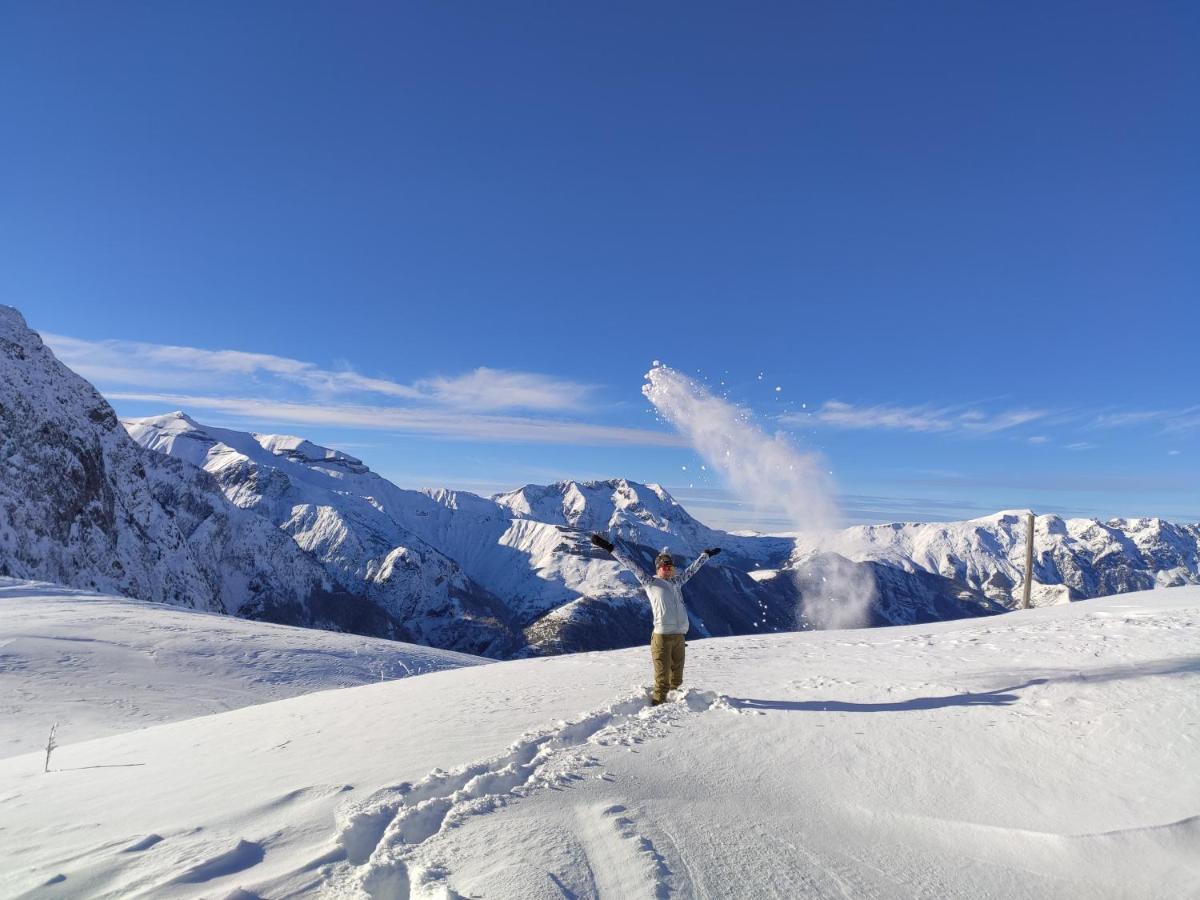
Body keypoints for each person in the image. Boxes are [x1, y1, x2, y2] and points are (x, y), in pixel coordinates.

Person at [590, 533, 721, 705]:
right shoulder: (649, 582)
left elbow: (692, 570)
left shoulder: (677, 582)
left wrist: (705, 556)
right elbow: (629, 563)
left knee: (677, 678)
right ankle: (657, 710)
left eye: (670, 566)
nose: (668, 568)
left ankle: (675, 705)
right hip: (662, 637)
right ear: (658, 568)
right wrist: (609, 547)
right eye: (664, 566)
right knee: (662, 680)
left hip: (679, 637)